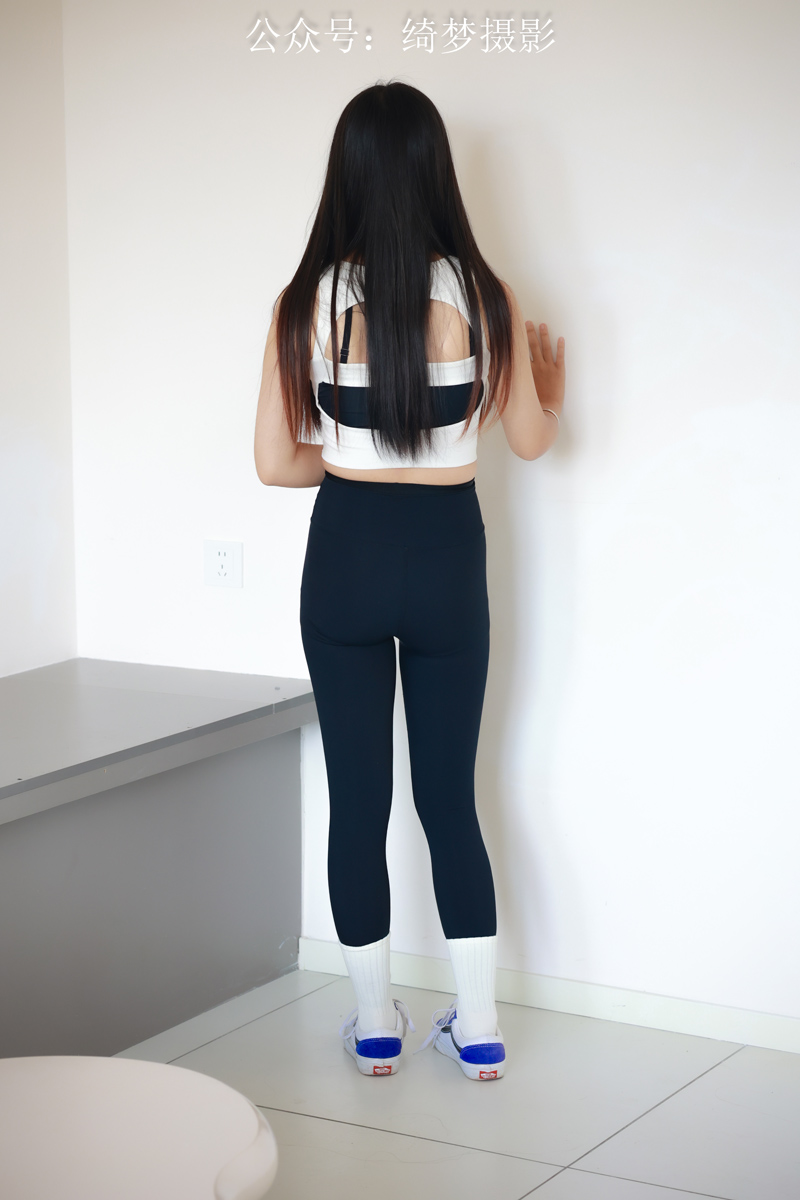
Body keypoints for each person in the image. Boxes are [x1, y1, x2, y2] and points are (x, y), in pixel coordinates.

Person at [254, 80, 565, 1082]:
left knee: (357, 803)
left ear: (344, 175)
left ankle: (376, 1027)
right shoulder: (487, 296)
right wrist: (550, 393)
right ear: (437, 171)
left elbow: (275, 464)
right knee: (449, 800)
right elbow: (529, 443)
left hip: (345, 555)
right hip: (446, 561)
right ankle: (478, 1030)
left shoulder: (302, 302)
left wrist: (356, 456)